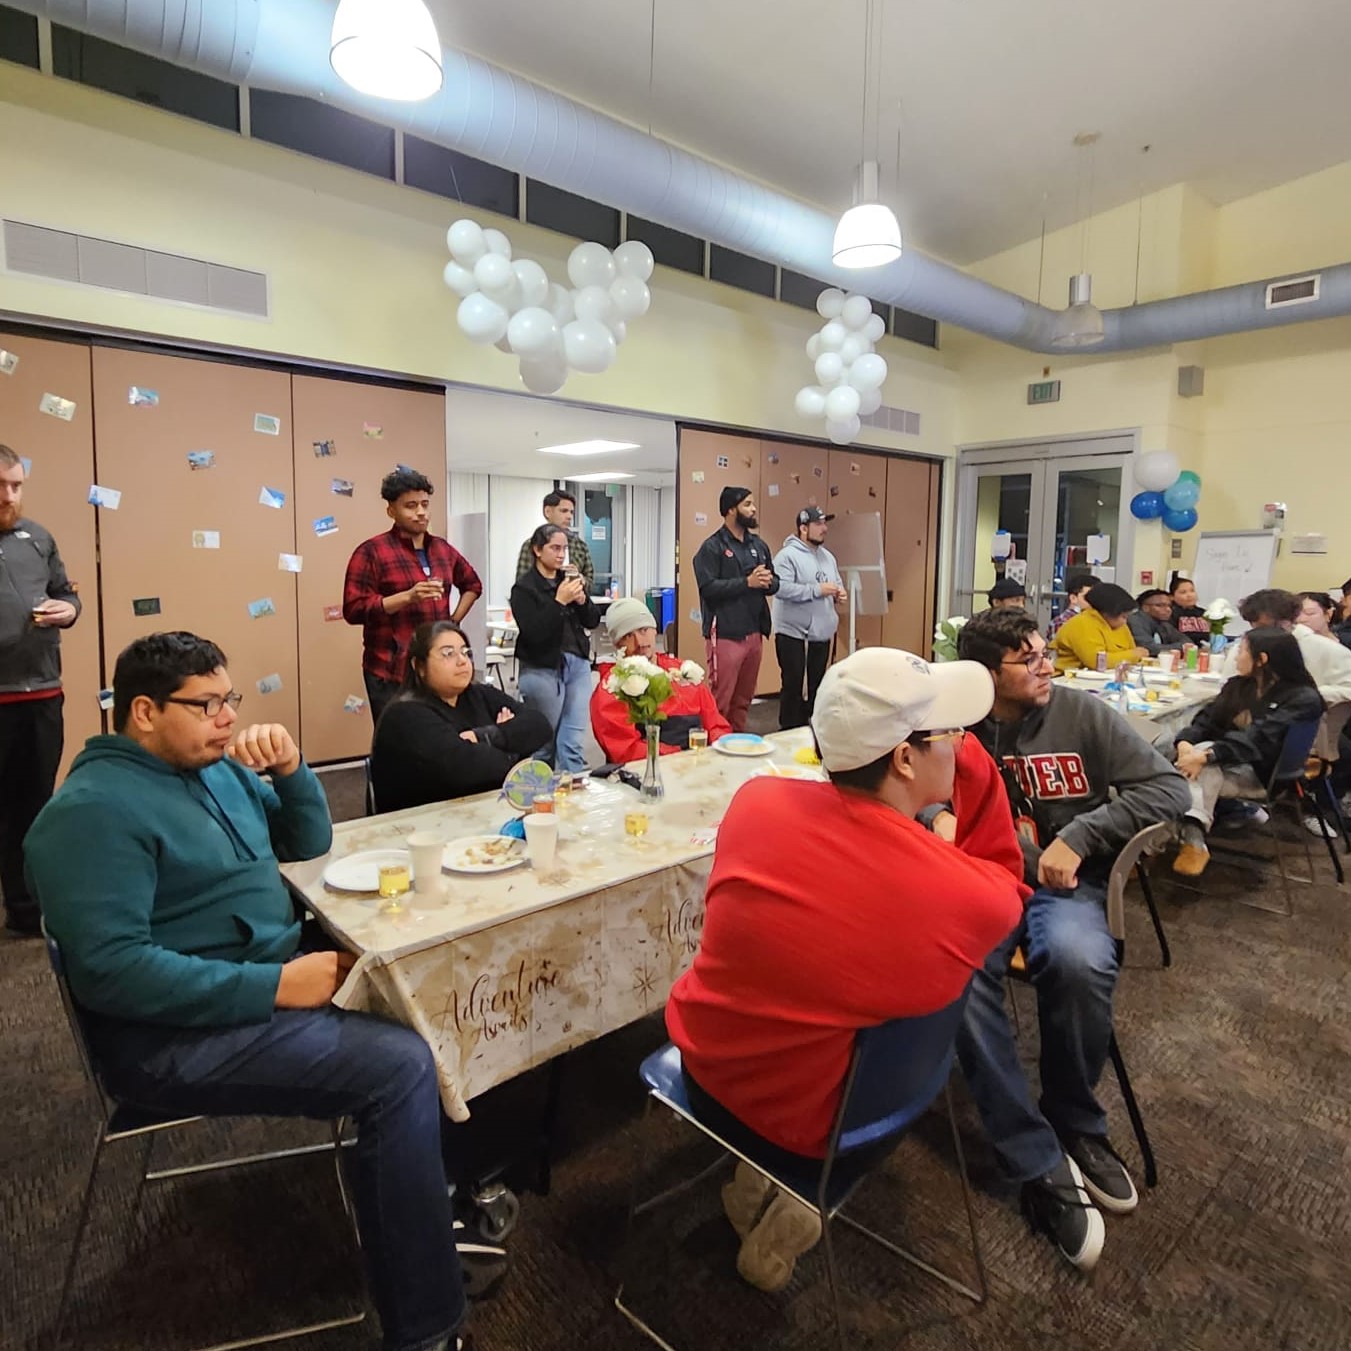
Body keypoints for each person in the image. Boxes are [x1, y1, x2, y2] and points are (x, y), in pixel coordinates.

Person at [24, 632, 478, 1351]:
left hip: (260, 976)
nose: (227, 718)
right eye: (206, 704)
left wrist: (296, 771)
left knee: (427, 985)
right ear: (143, 711)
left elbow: (304, 841)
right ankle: (426, 1326)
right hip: (169, 1040)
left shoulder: (210, 768)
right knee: (398, 1068)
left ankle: (424, 1198)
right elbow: (113, 973)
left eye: (228, 699)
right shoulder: (89, 813)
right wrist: (274, 986)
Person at [666, 647, 1026, 1291]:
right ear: (906, 757)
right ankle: (797, 1194)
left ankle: (759, 1181)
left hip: (706, 1061)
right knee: (890, 1029)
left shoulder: (756, 801)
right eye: (952, 733)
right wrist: (975, 776)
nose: (964, 742)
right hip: (818, 1120)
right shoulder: (962, 894)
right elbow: (1006, 886)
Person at [955, 608, 1190, 1271]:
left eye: (1042, 651)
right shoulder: (959, 724)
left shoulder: (1080, 714)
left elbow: (1167, 787)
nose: (1043, 665)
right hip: (985, 884)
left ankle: (1074, 1121)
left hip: (1064, 888)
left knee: (1080, 959)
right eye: (1025, 657)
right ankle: (1032, 1150)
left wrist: (1080, 834)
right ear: (983, 674)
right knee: (953, 970)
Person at [0, 444, 81, 937]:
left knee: (36, 803)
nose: (10, 496)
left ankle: (29, 908)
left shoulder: (38, 537)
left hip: (42, 693)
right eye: (0, 486)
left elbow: (65, 592)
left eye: (16, 485)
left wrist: (68, 610)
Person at [1171, 628, 1325, 876]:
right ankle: (1188, 841)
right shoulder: (1239, 686)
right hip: (1227, 764)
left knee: (1185, 772)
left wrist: (1205, 755)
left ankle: (1169, 843)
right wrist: (1185, 745)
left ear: (1262, 659)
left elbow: (1259, 738)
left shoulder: (1302, 698)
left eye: (1242, 650)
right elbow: (1206, 720)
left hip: (1266, 774)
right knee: (1173, 759)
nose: (1236, 657)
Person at [343, 468, 483, 727]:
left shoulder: (442, 549)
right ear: (391, 511)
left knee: (437, 737)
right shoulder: (372, 551)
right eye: (410, 506)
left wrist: (452, 623)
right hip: (389, 669)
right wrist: (407, 597)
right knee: (396, 743)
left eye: (425, 505)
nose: (420, 512)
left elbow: (473, 585)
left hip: (435, 667)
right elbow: (353, 610)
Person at [371, 621, 552, 812]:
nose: (462, 661)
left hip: (481, 811)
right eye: (448, 654)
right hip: (422, 824)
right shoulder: (405, 714)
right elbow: (467, 770)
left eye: (465, 652)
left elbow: (540, 725)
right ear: (419, 666)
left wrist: (485, 737)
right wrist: (514, 747)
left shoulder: (479, 694)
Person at [589, 597, 730, 764]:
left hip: (699, 763)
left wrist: (723, 749)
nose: (640, 642)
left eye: (643, 630)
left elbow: (715, 726)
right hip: (651, 769)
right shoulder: (612, 688)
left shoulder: (684, 672)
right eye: (628, 636)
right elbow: (626, 750)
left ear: (655, 630)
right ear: (616, 644)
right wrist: (681, 757)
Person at [510, 524, 600, 773]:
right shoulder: (524, 589)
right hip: (542, 668)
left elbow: (592, 620)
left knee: (572, 741)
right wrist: (559, 601)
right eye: (555, 548)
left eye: (564, 549)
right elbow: (534, 632)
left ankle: (574, 800)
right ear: (538, 550)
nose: (561, 555)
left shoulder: (568, 580)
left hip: (578, 665)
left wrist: (582, 601)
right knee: (543, 743)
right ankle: (539, 799)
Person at [692, 488, 779, 732]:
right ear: (731, 509)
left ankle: (737, 745)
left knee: (744, 701)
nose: (753, 509)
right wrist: (746, 582)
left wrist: (767, 581)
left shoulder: (758, 545)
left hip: (754, 633)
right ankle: (714, 749)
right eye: (747, 504)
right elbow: (708, 587)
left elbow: (775, 582)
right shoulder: (712, 547)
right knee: (722, 701)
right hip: (726, 635)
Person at [771, 507, 845, 729]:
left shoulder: (828, 557)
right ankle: (789, 734)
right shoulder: (786, 556)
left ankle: (814, 735)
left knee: (818, 688)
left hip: (821, 635)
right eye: (819, 524)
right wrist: (817, 590)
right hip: (793, 634)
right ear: (804, 528)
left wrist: (840, 593)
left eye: (825, 523)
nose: (825, 528)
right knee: (793, 688)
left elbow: (836, 582)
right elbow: (781, 589)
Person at [1217, 588, 1351, 704]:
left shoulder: (1327, 649)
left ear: (1292, 619)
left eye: (1275, 626)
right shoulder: (1243, 649)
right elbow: (1226, 688)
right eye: (1259, 627)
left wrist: (1300, 695)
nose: (1267, 633)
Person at [1052, 582, 1148, 674]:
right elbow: (1097, 662)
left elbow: (1132, 651)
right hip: (1067, 678)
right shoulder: (1082, 623)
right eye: (1123, 617)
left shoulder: (1119, 626)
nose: (1125, 621)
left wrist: (1133, 655)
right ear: (1107, 613)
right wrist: (1135, 655)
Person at [514, 488, 594, 594]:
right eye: (564, 511)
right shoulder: (532, 544)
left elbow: (590, 584)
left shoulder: (580, 546)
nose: (569, 516)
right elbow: (522, 585)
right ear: (548, 512)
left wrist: (579, 579)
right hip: (541, 605)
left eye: (571, 512)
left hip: (573, 607)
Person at [1128, 588, 1185, 656]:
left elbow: (1186, 641)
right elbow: (1149, 649)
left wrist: (1184, 646)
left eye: (1169, 606)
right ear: (1145, 608)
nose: (1168, 609)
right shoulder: (1135, 621)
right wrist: (1182, 647)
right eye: (1160, 605)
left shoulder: (1163, 623)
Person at [1048, 571, 1097, 639]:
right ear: (1073, 598)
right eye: (1088, 597)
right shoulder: (1063, 623)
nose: (1094, 601)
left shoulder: (1095, 620)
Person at [1168, 573, 1210, 639]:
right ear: (1172, 597)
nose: (1189, 595)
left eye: (1192, 591)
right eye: (1183, 592)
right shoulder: (1169, 614)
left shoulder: (1204, 613)